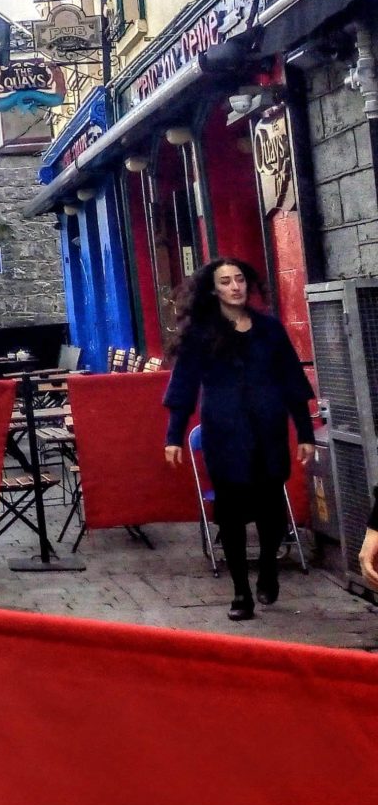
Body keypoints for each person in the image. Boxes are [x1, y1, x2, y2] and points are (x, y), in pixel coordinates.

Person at [162, 257, 316, 621]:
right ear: (213, 289)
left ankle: (267, 567)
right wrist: (174, 436)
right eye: (226, 281)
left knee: (271, 511)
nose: (235, 287)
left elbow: (293, 383)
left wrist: (305, 433)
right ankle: (241, 592)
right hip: (225, 434)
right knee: (230, 515)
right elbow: (183, 387)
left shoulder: (269, 329)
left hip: (269, 431)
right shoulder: (201, 333)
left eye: (240, 280)